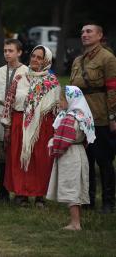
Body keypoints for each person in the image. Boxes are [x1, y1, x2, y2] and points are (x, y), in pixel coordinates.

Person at [2, 45, 60, 207]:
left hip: (43, 126)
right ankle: (22, 194)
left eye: (39, 57)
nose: (34, 59)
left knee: (40, 161)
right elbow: (9, 102)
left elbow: (56, 109)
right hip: (20, 123)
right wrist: (7, 125)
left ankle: (39, 195)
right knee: (20, 159)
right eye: (33, 56)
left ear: (46, 61)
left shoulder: (51, 82)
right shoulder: (20, 78)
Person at [69, 22, 116, 214]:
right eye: (82, 32)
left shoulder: (108, 58)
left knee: (104, 160)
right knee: (85, 161)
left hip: (100, 117)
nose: (84, 35)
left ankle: (108, 202)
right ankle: (87, 200)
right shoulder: (77, 60)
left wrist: (113, 115)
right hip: (80, 118)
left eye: (89, 31)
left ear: (99, 35)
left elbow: (113, 88)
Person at [47, 86, 96, 230]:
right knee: (77, 187)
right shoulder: (82, 115)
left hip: (70, 154)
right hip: (79, 152)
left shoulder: (70, 117)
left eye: (62, 100)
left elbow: (65, 139)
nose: (59, 103)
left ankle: (75, 223)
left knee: (71, 187)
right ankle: (76, 221)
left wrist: (53, 145)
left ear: (70, 99)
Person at [0, 39, 28, 203]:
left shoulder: (26, 71)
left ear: (19, 52)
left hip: (18, 116)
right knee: (3, 156)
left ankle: (20, 193)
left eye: (10, 50)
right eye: (5, 50)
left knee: (18, 154)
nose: (7, 53)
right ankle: (3, 193)